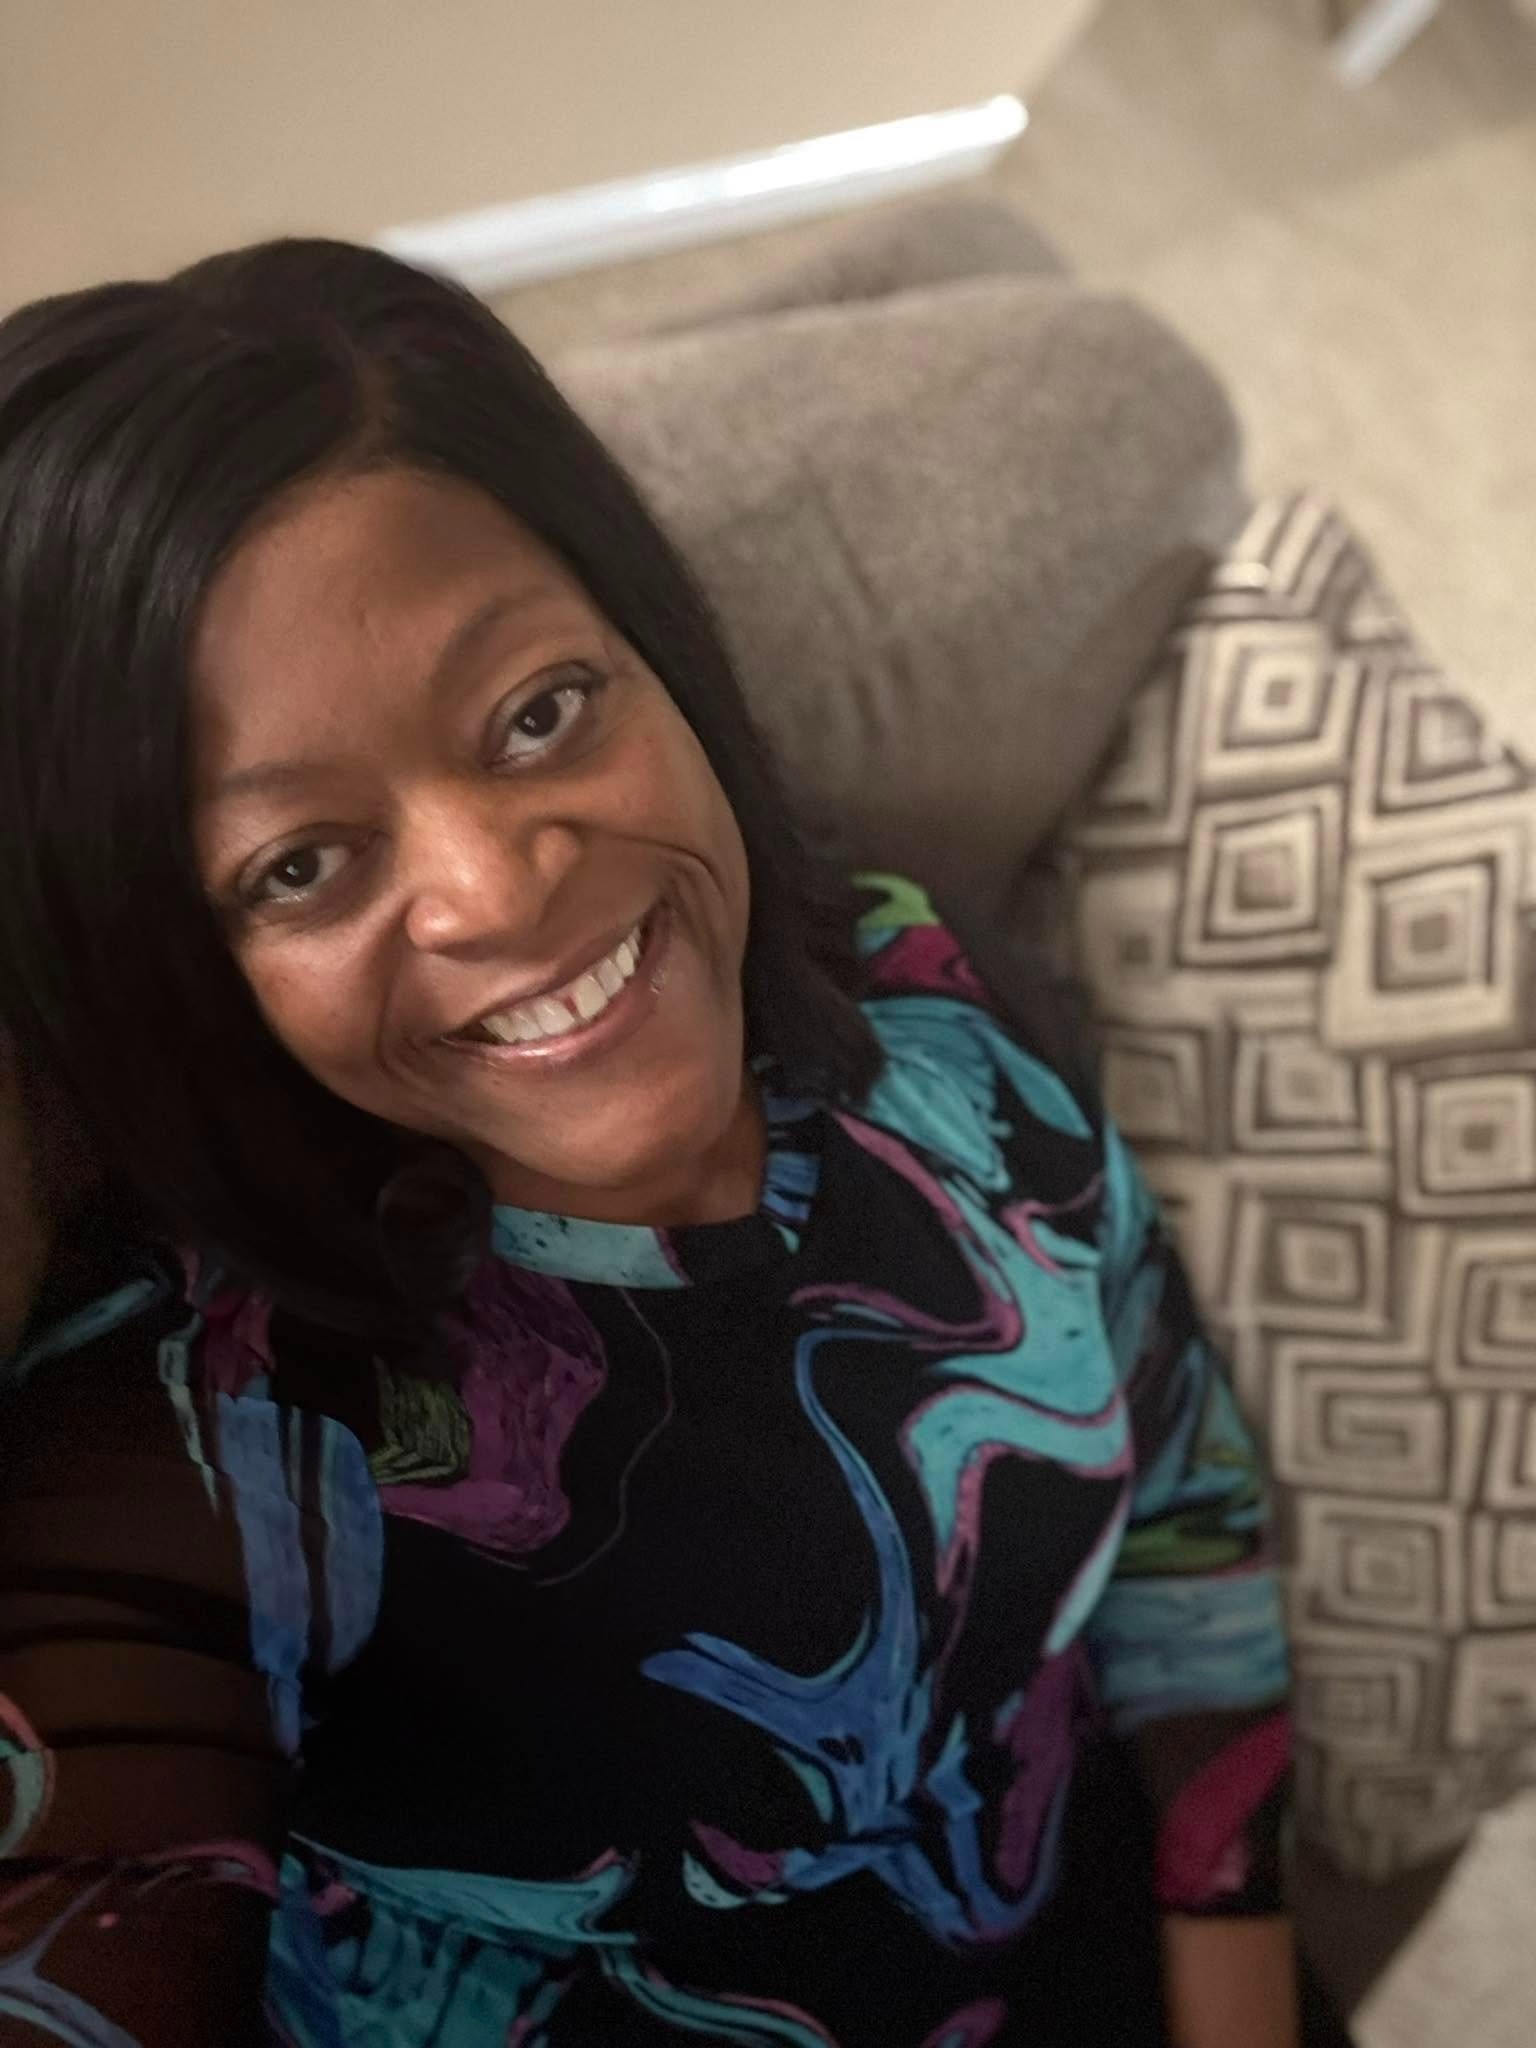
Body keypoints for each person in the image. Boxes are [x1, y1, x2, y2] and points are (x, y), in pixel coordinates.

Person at [0, 241, 1321, 2048]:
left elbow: (1184, 1506)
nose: (498, 886)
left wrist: (1240, 1981)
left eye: (541, 711)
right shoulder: (196, 1451)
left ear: (651, 644)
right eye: (300, 864)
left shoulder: (927, 1006)